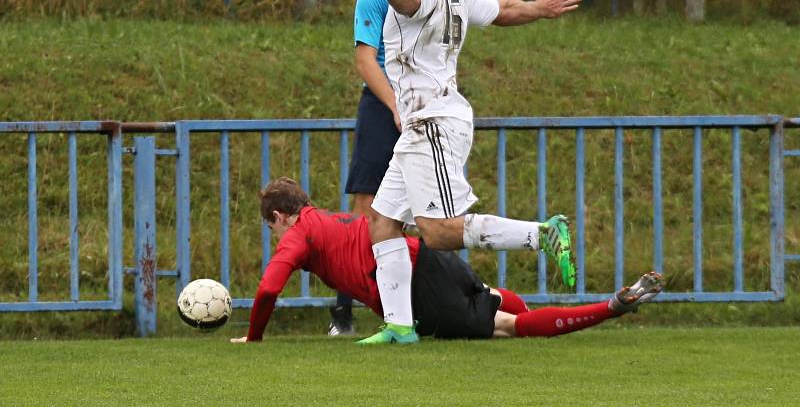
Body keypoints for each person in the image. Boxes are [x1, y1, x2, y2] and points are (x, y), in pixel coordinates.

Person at [336, 0, 574, 335]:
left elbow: (410, 1)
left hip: (434, 124)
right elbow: (500, 8)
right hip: (419, 125)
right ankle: (399, 327)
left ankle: (543, 233)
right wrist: (537, 10)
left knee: (438, 233)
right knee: (382, 221)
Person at [231, 178, 665, 343]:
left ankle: (612, 307)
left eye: (272, 228)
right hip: (431, 259)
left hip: (420, 293)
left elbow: (269, 288)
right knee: (492, 298)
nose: (275, 237)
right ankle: (539, 311)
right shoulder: (325, 218)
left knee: (507, 328)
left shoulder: (299, 232)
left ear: (279, 216)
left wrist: (254, 338)